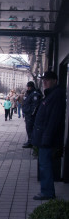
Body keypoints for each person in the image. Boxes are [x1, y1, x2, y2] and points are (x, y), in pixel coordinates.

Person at [32, 71, 65, 200]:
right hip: (44, 136)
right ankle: (46, 191)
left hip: (47, 138)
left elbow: (53, 119)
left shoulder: (56, 95)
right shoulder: (51, 94)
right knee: (44, 164)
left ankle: (47, 192)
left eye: (48, 80)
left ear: (55, 80)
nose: (45, 82)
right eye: (44, 80)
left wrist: (46, 138)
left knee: (45, 165)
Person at [22, 81, 42, 148]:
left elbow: (35, 105)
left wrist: (31, 114)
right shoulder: (29, 93)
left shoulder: (34, 94)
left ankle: (31, 142)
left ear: (31, 87)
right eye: (27, 86)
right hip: (28, 114)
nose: (27, 88)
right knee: (28, 128)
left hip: (31, 115)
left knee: (30, 128)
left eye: (28, 87)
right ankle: (30, 141)